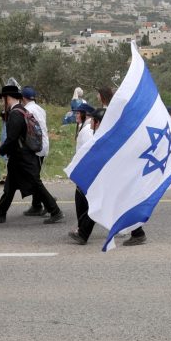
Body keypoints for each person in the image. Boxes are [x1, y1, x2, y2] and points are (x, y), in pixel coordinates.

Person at [0, 84, 63, 224]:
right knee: (10, 186)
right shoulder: (21, 110)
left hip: (23, 157)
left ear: (8, 98)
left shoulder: (15, 113)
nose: (3, 102)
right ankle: (0, 213)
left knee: (36, 184)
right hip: (20, 156)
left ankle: (55, 211)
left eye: (3, 99)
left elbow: (12, 138)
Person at [68, 104, 102, 245]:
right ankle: (82, 230)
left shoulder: (91, 132)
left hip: (95, 174)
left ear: (97, 122)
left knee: (96, 203)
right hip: (92, 173)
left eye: (92, 120)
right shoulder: (94, 131)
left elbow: (90, 154)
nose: (90, 122)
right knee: (89, 201)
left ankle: (82, 232)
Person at [21, 86, 53, 218]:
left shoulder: (27, 110)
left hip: (35, 146)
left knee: (33, 178)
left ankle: (48, 202)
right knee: (34, 176)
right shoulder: (40, 109)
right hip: (43, 145)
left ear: (23, 98)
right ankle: (36, 205)